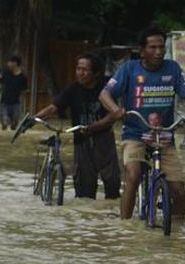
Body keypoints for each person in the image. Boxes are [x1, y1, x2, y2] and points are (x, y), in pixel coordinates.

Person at [100, 26, 185, 220]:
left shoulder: (173, 68)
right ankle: (125, 226)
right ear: (142, 50)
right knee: (133, 175)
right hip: (134, 135)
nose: (159, 52)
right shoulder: (128, 69)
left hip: (164, 137)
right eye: (153, 47)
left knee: (178, 190)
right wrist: (115, 110)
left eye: (162, 47)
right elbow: (104, 94)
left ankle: (178, 234)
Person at [34, 53, 120, 199]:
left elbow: (114, 115)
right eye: (78, 69)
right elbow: (54, 107)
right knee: (84, 191)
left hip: (104, 140)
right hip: (81, 141)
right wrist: (35, 118)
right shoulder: (72, 89)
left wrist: (93, 127)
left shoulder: (106, 88)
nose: (80, 73)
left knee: (112, 185)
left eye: (84, 70)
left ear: (96, 73)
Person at [0, 55, 28, 131]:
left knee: (14, 126)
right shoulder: (6, 73)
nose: (8, 64)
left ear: (15, 63)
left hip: (16, 104)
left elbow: (24, 90)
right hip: (4, 103)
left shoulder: (22, 77)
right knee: (4, 124)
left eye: (9, 62)